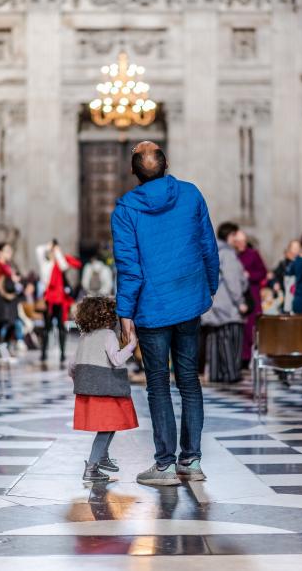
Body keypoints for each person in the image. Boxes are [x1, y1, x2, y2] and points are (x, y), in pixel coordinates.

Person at [111, 141, 219, 486]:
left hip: (152, 307)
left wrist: (125, 312)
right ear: (167, 163)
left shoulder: (125, 209)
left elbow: (130, 268)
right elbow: (208, 246)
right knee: (189, 380)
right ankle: (192, 460)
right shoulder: (190, 195)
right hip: (189, 300)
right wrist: (209, 286)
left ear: (133, 171)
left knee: (158, 385)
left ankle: (165, 465)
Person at [68, 297, 138, 481]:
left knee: (109, 425)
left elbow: (72, 366)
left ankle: (103, 457)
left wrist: (82, 379)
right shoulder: (108, 335)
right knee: (107, 427)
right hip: (106, 390)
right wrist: (131, 346)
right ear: (108, 316)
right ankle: (92, 467)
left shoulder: (84, 337)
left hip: (89, 390)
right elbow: (116, 359)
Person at [202, 222, 248, 383]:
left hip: (212, 305)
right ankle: (230, 374)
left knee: (214, 340)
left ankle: (215, 374)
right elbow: (233, 280)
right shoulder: (227, 253)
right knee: (231, 339)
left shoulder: (211, 250)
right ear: (231, 235)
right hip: (227, 306)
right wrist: (240, 301)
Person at [36, 240, 81, 369]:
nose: (52, 253)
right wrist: (49, 245)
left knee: (61, 327)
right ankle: (43, 353)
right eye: (51, 251)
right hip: (48, 300)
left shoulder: (59, 263)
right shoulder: (45, 264)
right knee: (47, 328)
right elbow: (39, 250)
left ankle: (62, 353)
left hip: (60, 300)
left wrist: (57, 251)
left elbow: (65, 266)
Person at [234, 230, 267, 367]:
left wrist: (250, 275)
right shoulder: (232, 255)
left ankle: (250, 357)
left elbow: (262, 272)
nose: (241, 244)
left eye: (243, 241)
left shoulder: (253, 254)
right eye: (238, 241)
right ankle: (240, 358)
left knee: (251, 327)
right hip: (237, 296)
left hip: (252, 295)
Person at [0, 242, 26, 354]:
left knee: (10, 324)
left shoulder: (7, 265)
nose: (10, 253)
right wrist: (8, 295)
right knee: (3, 325)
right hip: (2, 302)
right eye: (7, 251)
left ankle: (6, 349)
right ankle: (1, 350)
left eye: (10, 251)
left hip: (9, 303)